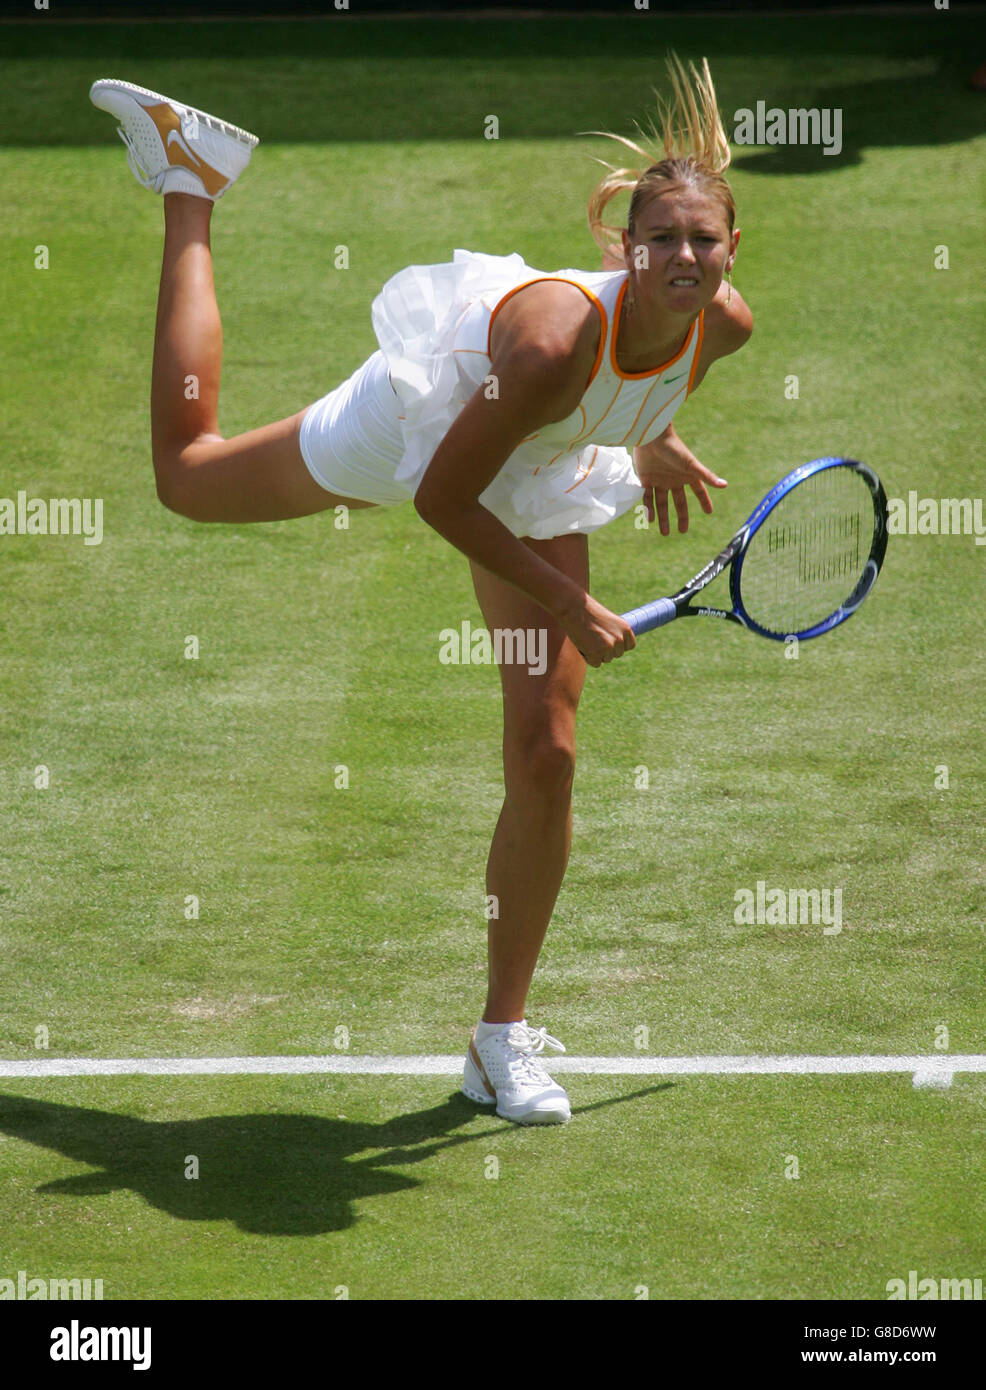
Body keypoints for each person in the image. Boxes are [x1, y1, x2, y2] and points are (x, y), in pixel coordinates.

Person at [89, 54, 752, 1126]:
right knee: (189, 475)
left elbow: (656, 361)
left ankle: (497, 1042)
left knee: (548, 751)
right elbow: (446, 502)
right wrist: (574, 604)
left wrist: (657, 433)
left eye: (702, 241)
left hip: (540, 454)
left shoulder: (720, 323)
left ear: (729, 252)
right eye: (662, 238)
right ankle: (188, 180)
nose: (683, 255)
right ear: (627, 247)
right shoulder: (547, 341)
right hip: (433, 423)